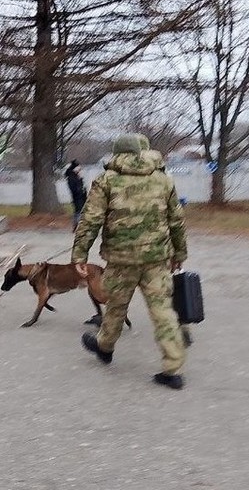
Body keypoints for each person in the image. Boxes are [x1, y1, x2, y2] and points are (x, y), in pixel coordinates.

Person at [72, 134, 189, 390]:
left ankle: (105, 347)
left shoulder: (106, 181)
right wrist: (179, 253)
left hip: (120, 259)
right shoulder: (163, 179)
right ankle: (173, 369)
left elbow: (90, 220)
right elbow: (176, 220)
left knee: (116, 305)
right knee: (162, 311)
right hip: (156, 259)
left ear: (116, 153)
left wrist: (80, 254)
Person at [65, 159, 87, 231]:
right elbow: (74, 188)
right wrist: (80, 189)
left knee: (80, 211)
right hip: (77, 197)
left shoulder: (76, 176)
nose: (80, 170)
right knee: (79, 211)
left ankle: (78, 225)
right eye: (78, 168)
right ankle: (77, 226)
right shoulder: (71, 177)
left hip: (81, 196)